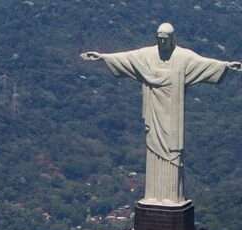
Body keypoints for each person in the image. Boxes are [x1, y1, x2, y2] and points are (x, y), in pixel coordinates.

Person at [81, 23, 241, 204]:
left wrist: (226, 66)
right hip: (153, 113)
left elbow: (204, 63)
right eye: (160, 39)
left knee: (173, 153)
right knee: (153, 151)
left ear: (173, 39)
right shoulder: (147, 55)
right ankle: (153, 197)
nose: (162, 42)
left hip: (172, 116)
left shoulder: (183, 57)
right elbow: (127, 58)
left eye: (165, 39)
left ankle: (172, 197)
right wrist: (102, 57)